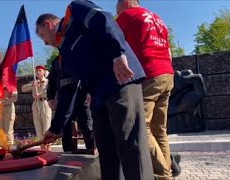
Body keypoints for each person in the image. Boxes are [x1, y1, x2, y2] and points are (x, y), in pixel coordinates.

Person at [35, 1, 154, 179]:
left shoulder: (74, 11)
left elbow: (103, 18)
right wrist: (55, 128)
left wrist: (118, 54)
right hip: (98, 98)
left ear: (48, 24)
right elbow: (69, 93)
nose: (45, 43)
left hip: (120, 81)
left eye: (43, 35)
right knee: (107, 152)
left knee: (131, 144)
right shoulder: (64, 56)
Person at [116, 0, 179, 179]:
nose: (117, 13)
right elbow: (168, 50)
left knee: (141, 127)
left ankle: (163, 175)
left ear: (126, 3)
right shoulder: (157, 18)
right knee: (159, 130)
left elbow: (114, 42)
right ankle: (165, 171)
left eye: (117, 9)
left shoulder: (127, 16)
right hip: (167, 73)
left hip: (149, 75)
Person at [47, 56, 95, 152]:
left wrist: (90, 91)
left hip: (83, 97)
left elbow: (90, 74)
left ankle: (92, 150)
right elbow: (52, 80)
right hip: (65, 98)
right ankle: (68, 154)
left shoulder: (79, 55)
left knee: (87, 125)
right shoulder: (56, 61)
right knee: (66, 129)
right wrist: (50, 97)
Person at [21, 65, 52, 151]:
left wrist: (42, 94)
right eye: (37, 71)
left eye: (40, 71)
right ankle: (42, 147)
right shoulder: (34, 82)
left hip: (44, 102)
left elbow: (51, 91)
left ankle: (48, 148)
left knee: (47, 125)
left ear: (44, 72)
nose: (38, 72)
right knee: (38, 126)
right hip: (36, 103)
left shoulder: (48, 82)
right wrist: (32, 85)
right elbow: (23, 88)